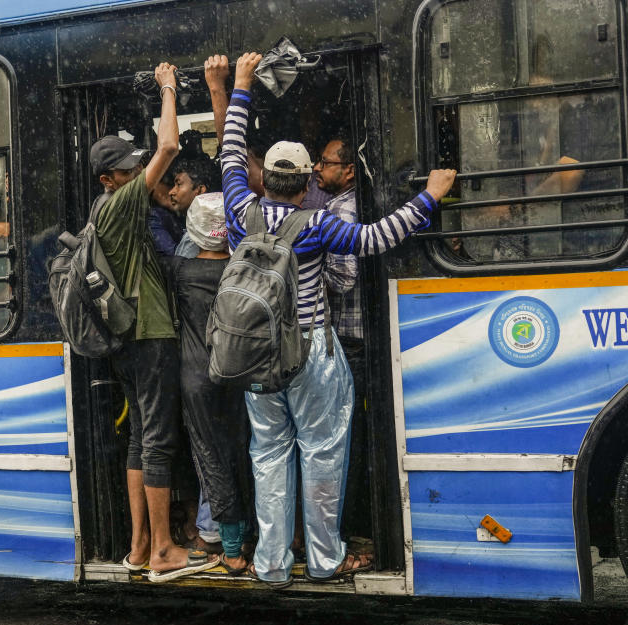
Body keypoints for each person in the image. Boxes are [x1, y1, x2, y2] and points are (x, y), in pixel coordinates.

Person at [221, 52, 456, 587]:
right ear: (306, 183)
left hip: (256, 358)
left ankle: (273, 564)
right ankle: (325, 560)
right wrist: (430, 196)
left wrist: (240, 86)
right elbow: (377, 237)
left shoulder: (240, 209)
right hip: (310, 354)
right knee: (322, 457)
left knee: (269, 459)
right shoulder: (317, 224)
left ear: (267, 181)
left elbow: (231, 154)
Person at [90, 62, 218, 582]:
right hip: (150, 335)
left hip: (130, 340)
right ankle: (165, 549)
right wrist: (169, 89)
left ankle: (141, 545)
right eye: (127, 170)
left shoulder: (109, 206)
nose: (140, 174)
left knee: (142, 439)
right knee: (160, 438)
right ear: (109, 179)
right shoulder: (119, 204)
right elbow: (167, 149)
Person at [166, 192, 253, 575]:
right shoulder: (242, 271)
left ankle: (229, 549)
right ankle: (250, 536)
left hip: (196, 378)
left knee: (211, 460)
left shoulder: (179, 271)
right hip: (238, 375)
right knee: (243, 455)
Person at [315, 138, 371, 540]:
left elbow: (344, 276)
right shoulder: (342, 205)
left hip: (350, 343)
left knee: (340, 440)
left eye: (325, 162)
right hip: (354, 341)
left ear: (348, 170)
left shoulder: (341, 210)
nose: (318, 168)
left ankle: (347, 528)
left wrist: (305, 276)